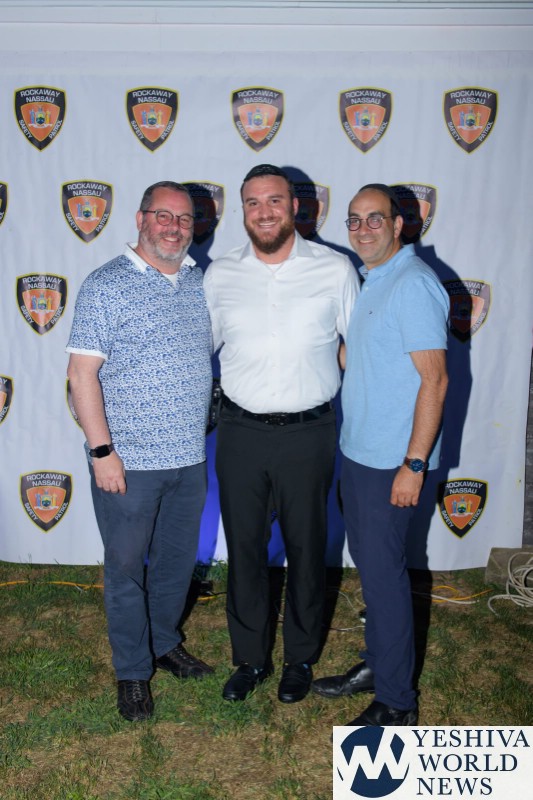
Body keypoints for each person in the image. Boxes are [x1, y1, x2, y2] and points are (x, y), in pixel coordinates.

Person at [203, 164, 359, 704]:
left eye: (274, 201)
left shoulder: (335, 269)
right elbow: (200, 350)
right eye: (253, 203)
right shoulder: (221, 275)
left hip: (308, 433)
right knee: (244, 548)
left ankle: (300, 659)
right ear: (242, 211)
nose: (264, 212)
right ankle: (249, 659)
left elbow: (359, 346)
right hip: (241, 431)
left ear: (295, 207)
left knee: (307, 548)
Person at [66, 181, 214, 722]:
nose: (174, 227)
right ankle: (132, 671)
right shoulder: (106, 285)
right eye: (163, 215)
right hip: (127, 463)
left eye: (184, 218)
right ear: (140, 218)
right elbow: (81, 374)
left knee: (176, 563)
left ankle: (163, 642)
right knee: (127, 569)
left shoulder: (199, 281)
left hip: (189, 458)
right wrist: (102, 451)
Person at [312, 183, 449, 726]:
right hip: (359, 454)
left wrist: (413, 465)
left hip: (392, 463)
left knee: (386, 578)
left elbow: (435, 381)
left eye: (375, 219)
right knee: (373, 572)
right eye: (354, 219)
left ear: (398, 225)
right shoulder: (374, 279)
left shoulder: (413, 284)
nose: (363, 229)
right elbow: (358, 358)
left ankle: (396, 702)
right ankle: (378, 665)